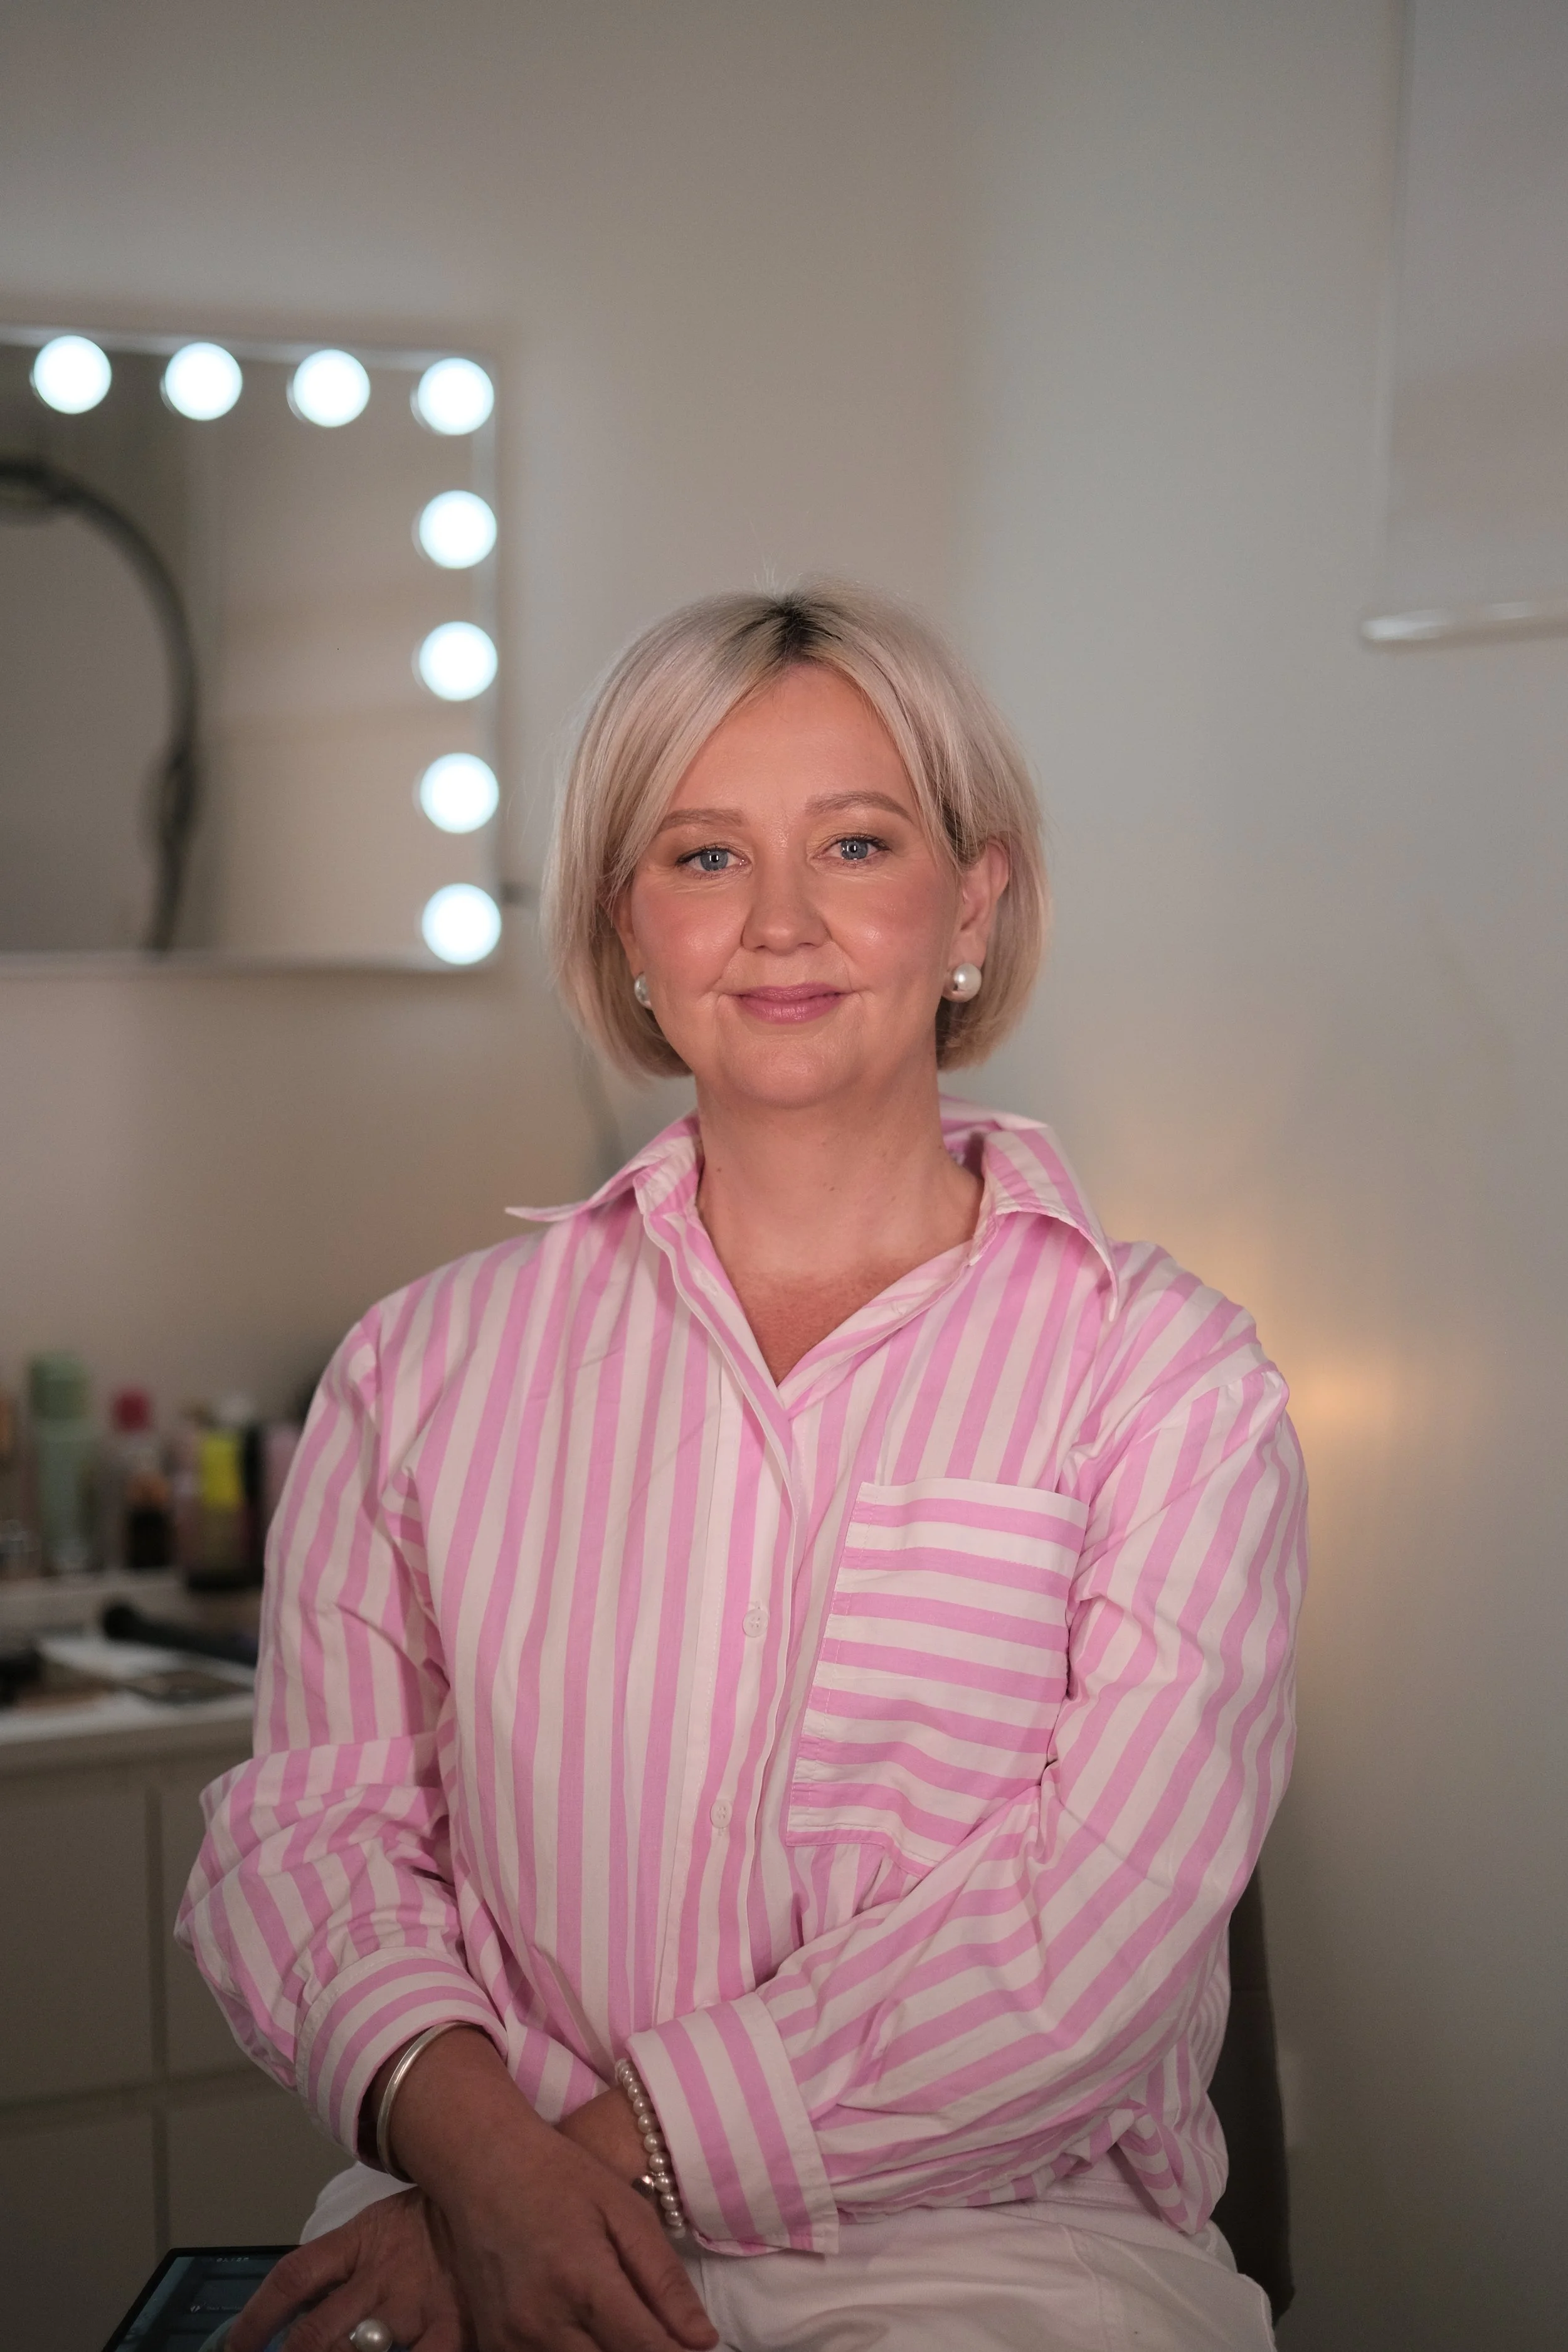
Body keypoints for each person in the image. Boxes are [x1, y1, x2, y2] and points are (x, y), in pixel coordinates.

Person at [179, 583, 1306, 2352]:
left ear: (973, 897)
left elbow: (1092, 1939)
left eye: (855, 843)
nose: (778, 923)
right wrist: (479, 2177)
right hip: (468, 2221)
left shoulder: (1162, 1382)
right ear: (625, 924)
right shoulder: (421, 1369)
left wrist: (568, 2170)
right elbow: (306, 1841)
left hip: (994, 2257)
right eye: (701, 858)